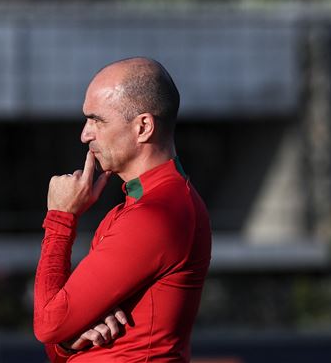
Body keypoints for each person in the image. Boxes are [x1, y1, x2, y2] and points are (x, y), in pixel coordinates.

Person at [33, 57, 212, 362]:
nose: (85, 134)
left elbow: (49, 323)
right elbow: (56, 341)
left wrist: (60, 218)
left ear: (143, 127)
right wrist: (68, 342)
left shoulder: (157, 214)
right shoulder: (137, 208)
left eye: (97, 120)